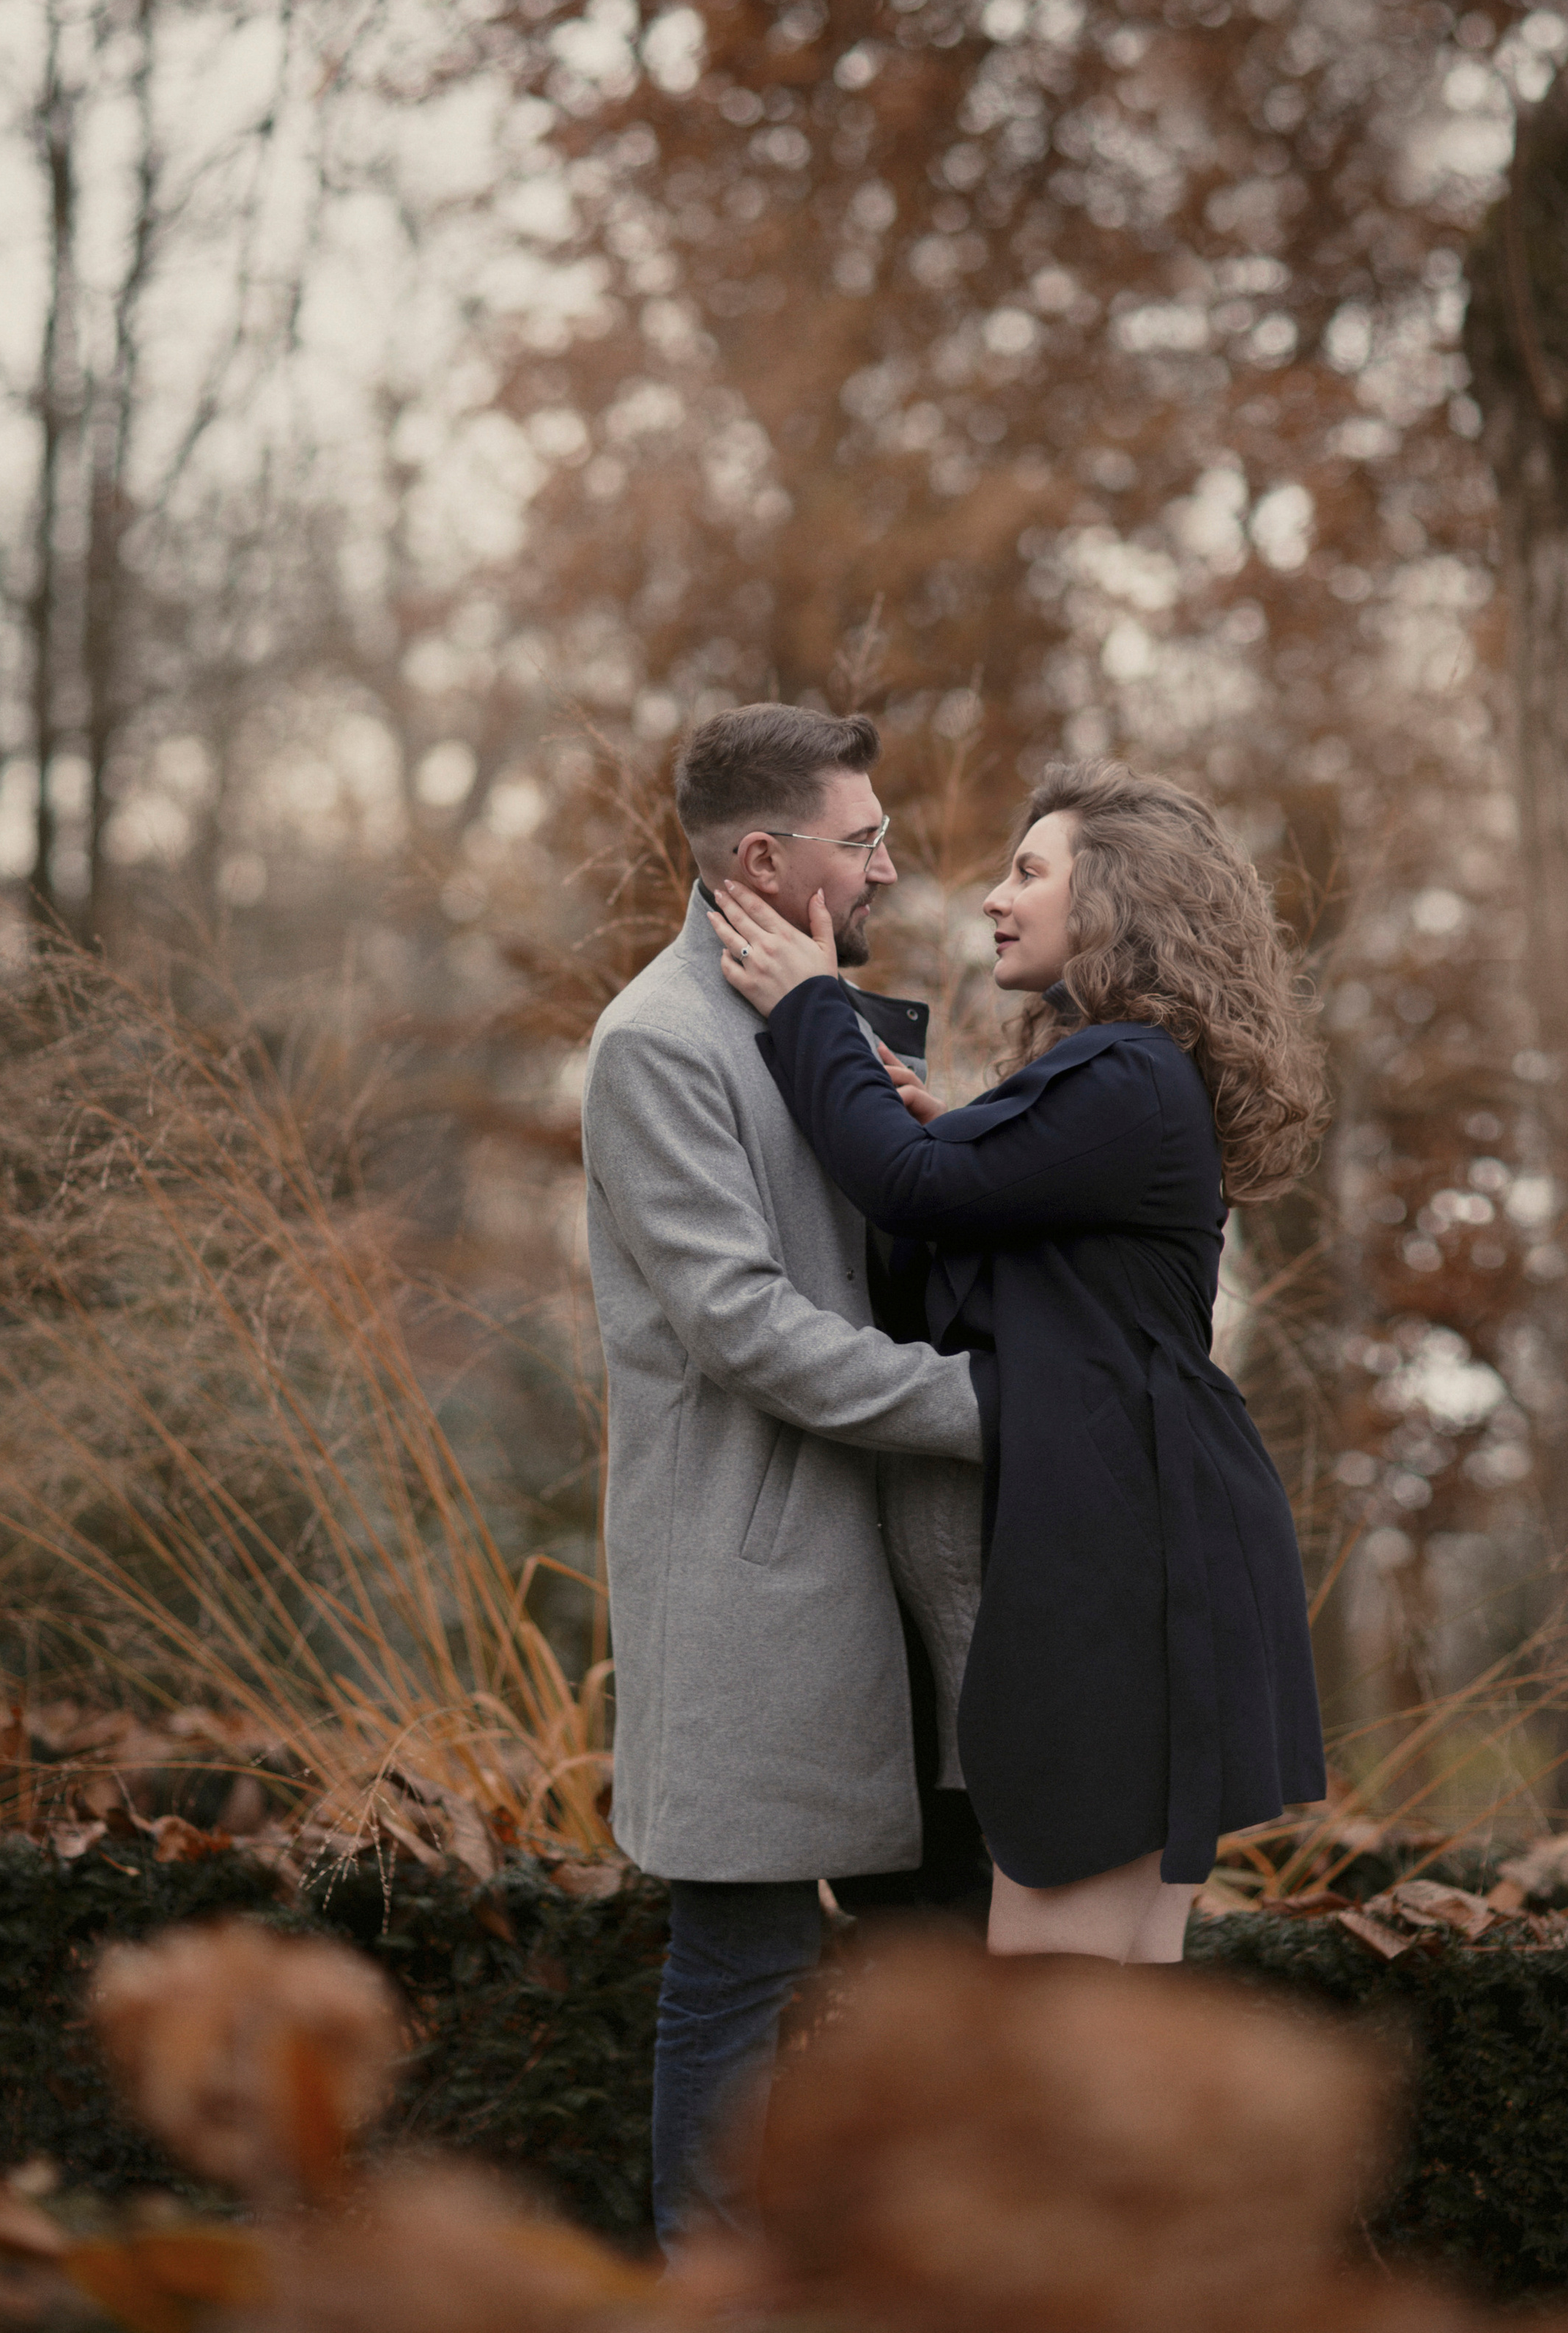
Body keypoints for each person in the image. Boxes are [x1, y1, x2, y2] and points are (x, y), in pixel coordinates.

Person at [706, 757, 1329, 1966]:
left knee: (1050, 2014)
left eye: (1029, 870)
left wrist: (810, 1007)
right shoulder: (1123, 1074)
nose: (995, 895)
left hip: (1128, 1565)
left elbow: (909, 1187)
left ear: (1117, 902)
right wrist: (947, 1122)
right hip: (1153, 1541)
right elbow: (967, 1201)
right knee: (1104, 2016)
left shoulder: (1127, 1071)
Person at [581, 703, 983, 2249]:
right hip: (759, 1582)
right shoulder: (655, 1045)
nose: (888, 867)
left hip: (910, 1573)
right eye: (861, 840)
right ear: (765, 858)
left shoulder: (831, 1012)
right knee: (739, 1971)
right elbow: (743, 1326)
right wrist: (991, 1408)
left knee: (934, 1967)